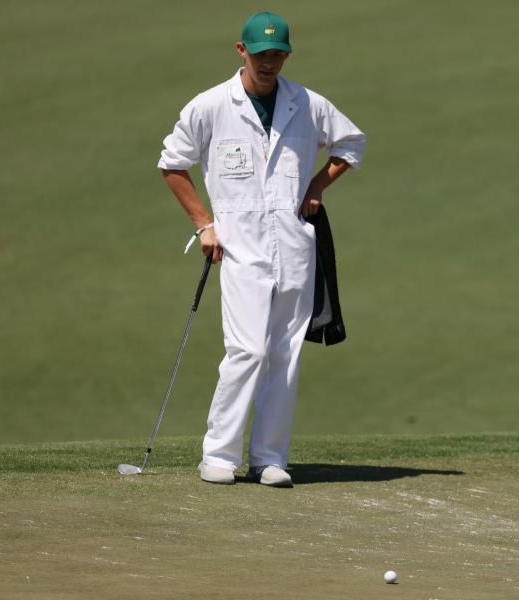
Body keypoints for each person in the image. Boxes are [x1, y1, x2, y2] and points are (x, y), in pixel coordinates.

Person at [157, 11, 366, 487]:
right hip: (238, 244)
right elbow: (172, 164)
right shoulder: (211, 106)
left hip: (294, 243)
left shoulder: (307, 103)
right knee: (247, 350)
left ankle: (270, 457)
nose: (269, 63)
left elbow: (351, 144)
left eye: (278, 54)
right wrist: (203, 224)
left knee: (284, 353)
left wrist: (315, 187)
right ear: (241, 51)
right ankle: (219, 455)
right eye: (261, 54)